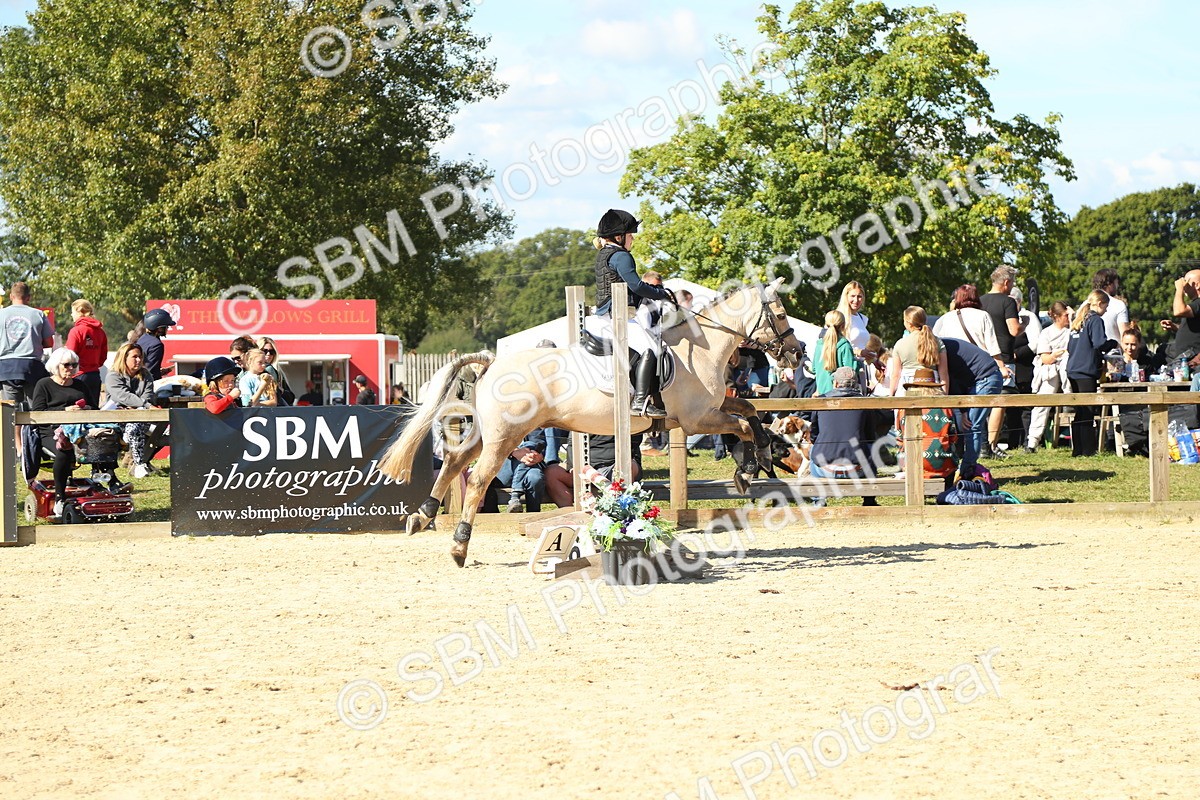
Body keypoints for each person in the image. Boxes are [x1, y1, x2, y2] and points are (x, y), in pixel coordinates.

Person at [587, 208, 673, 417]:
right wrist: (660, 294)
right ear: (619, 236)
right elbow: (636, 285)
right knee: (650, 348)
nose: (632, 239)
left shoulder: (604, 254)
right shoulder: (621, 256)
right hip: (619, 314)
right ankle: (641, 400)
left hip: (605, 314)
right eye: (630, 235)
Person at [933, 284, 1009, 458]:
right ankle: (979, 452)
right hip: (978, 368)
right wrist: (1001, 367)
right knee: (974, 420)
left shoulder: (944, 318)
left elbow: (935, 342)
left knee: (964, 420)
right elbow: (992, 346)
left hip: (958, 371)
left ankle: (965, 459)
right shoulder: (982, 316)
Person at [30, 348, 89, 517]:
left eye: (74, 365)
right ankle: (59, 497)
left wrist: (81, 409)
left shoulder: (80, 385)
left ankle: (111, 482)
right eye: (66, 365)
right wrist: (64, 410)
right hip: (50, 431)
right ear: (56, 365)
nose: (71, 368)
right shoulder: (44, 384)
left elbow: (94, 407)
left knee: (104, 443)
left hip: (78, 430)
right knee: (63, 450)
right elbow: (38, 412)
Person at [808, 367, 878, 506]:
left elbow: (814, 434)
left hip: (824, 469)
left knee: (813, 450)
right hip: (858, 469)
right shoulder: (865, 403)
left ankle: (819, 501)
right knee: (871, 447)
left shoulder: (821, 401)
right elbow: (871, 436)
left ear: (835, 383)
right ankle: (869, 499)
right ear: (856, 384)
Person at [1066, 290, 1117, 457]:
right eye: (1106, 306)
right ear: (1100, 304)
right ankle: (1088, 449)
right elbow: (1099, 343)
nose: (1106, 311)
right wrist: (1113, 343)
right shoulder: (1095, 320)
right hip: (1085, 370)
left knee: (1080, 410)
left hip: (1073, 368)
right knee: (1088, 410)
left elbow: (1070, 347)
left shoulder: (1079, 320)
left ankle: (1078, 448)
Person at [941, 338, 1002, 476]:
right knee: (964, 426)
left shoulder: (942, 351)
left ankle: (967, 472)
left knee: (971, 425)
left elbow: (954, 383)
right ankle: (961, 467)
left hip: (987, 378)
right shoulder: (942, 346)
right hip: (979, 380)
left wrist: (963, 411)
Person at [979, 267, 1024, 452]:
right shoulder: (1008, 302)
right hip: (1003, 357)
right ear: (1006, 283)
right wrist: (1024, 325)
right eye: (1012, 282)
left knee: (982, 401)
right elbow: (1014, 330)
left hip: (981, 356)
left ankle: (981, 444)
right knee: (1000, 401)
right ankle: (991, 445)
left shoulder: (978, 301)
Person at [103, 343, 156, 479]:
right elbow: (122, 396)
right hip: (117, 418)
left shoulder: (146, 375)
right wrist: (143, 404)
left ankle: (138, 464)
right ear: (124, 358)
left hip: (141, 417)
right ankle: (139, 464)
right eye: (135, 357)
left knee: (135, 427)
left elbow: (148, 395)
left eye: (140, 357)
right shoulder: (113, 376)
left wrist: (139, 405)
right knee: (133, 427)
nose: (139, 360)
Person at [1025, 301, 1071, 453]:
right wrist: (1056, 354)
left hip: (1067, 371)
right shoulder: (1047, 333)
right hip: (1050, 371)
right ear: (1057, 316)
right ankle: (1032, 442)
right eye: (1065, 315)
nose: (1068, 317)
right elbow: (1045, 358)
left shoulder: (1072, 330)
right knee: (1042, 405)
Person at [0, 281, 54, 409]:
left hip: (6, 368)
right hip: (32, 367)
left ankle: (14, 430)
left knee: (10, 411)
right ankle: (37, 429)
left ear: (11, 296)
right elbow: (49, 342)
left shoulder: (1, 314)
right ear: (28, 297)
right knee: (37, 408)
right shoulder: (38, 314)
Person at [887, 306, 949, 396]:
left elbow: (895, 375)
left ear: (908, 323)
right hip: (932, 387)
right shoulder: (937, 342)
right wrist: (945, 395)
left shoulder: (900, 344)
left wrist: (891, 394)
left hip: (907, 387)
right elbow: (944, 374)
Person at [64, 299, 108, 409]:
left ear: (80, 312)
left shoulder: (76, 331)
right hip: (94, 376)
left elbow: (70, 357)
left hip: (79, 376)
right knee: (93, 411)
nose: (71, 315)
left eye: (73, 312)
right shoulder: (100, 332)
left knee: (78, 411)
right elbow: (103, 357)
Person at [499, 428, 547, 513]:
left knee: (535, 477)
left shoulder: (533, 422)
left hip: (531, 467)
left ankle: (515, 498)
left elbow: (539, 443)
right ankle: (516, 497)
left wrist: (536, 455)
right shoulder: (500, 423)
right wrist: (514, 452)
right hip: (505, 471)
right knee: (527, 448)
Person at [812, 310, 856, 396]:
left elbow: (814, 369)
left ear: (826, 325)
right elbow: (850, 372)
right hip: (840, 395)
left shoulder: (819, 345)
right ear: (843, 326)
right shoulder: (845, 346)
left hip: (821, 394)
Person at [137, 308, 176, 381]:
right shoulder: (157, 345)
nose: (167, 329)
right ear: (160, 329)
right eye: (166, 327)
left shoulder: (143, 338)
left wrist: (162, 371)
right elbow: (151, 372)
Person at [1094, 268, 1130, 344]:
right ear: (1109, 284)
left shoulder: (1084, 305)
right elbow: (1125, 336)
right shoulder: (1118, 305)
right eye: (1116, 283)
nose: (1117, 286)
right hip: (1113, 353)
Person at [256, 336, 294, 404]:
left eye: (271, 351)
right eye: (264, 351)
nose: (268, 354)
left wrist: (280, 390)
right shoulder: (249, 372)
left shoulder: (276, 371)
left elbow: (291, 397)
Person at [836, 281, 871, 350]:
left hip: (860, 360)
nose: (856, 300)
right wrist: (857, 352)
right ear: (846, 296)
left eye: (859, 296)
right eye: (853, 296)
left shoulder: (863, 319)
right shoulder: (839, 317)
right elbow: (835, 346)